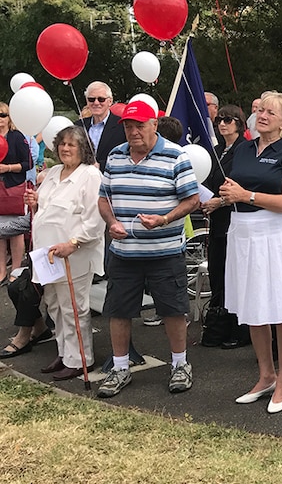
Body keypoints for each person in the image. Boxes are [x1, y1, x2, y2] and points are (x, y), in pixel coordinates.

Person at [96, 101, 200, 398]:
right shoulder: (115, 156)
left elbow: (192, 200)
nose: (133, 131)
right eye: (128, 126)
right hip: (124, 251)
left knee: (173, 309)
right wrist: (111, 221)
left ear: (154, 124)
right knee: (118, 310)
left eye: (139, 125)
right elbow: (104, 198)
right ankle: (119, 367)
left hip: (164, 251)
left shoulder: (175, 155)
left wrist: (165, 219)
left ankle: (180, 364)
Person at [220, 91, 282, 413]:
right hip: (242, 233)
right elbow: (233, 188)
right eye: (260, 110)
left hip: (274, 234)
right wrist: (224, 198)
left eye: (271, 111)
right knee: (254, 305)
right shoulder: (242, 149)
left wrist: (247, 195)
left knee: (281, 307)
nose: (263, 115)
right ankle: (265, 375)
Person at [25, 126, 104, 380]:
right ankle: (64, 352)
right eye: (62, 144)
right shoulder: (54, 172)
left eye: (72, 144)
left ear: (83, 148)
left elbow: (95, 218)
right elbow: (46, 206)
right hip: (46, 253)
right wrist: (34, 202)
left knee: (73, 306)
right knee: (54, 305)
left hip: (74, 254)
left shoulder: (90, 175)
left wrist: (74, 242)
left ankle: (81, 358)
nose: (66, 149)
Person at [199, 105, 249, 348]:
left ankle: (239, 329)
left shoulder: (245, 150)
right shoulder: (217, 150)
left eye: (228, 120)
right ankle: (220, 321)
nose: (222, 124)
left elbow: (243, 182)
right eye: (219, 120)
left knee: (235, 272)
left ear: (239, 123)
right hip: (217, 219)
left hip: (235, 216)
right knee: (218, 271)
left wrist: (219, 201)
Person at [0, 102, 32, 285]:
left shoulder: (17, 137)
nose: (0, 119)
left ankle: (16, 270)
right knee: (0, 232)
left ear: (9, 117)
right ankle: (1, 270)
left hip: (13, 188)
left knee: (15, 232)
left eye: (3, 115)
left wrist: (8, 168)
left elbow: (27, 163)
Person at [76, 81, 127, 171]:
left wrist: (101, 166)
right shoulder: (78, 125)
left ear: (110, 101)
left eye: (101, 99)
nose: (96, 103)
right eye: (91, 99)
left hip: (110, 177)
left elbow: (127, 156)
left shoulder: (122, 126)